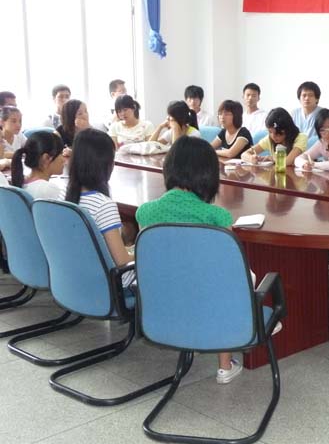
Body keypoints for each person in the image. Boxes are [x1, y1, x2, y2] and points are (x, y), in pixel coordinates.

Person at [135, 136, 240, 384]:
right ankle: (225, 366)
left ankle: (188, 332)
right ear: (208, 175)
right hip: (206, 299)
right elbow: (230, 268)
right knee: (235, 279)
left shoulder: (145, 212)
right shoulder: (217, 217)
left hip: (164, 301)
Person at [64, 129, 134, 282]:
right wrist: (144, 253)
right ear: (105, 164)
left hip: (77, 280)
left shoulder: (64, 197)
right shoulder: (104, 205)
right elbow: (122, 261)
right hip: (112, 285)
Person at [241, 107, 307, 166]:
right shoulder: (269, 139)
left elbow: (287, 162)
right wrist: (251, 158)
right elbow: (244, 154)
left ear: (287, 129)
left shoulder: (300, 138)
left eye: (277, 133)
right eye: (270, 132)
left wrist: (272, 158)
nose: (273, 136)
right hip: (277, 173)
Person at [11, 131, 65, 199]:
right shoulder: (47, 189)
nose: (64, 160)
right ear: (46, 158)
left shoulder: (21, 181)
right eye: (61, 153)